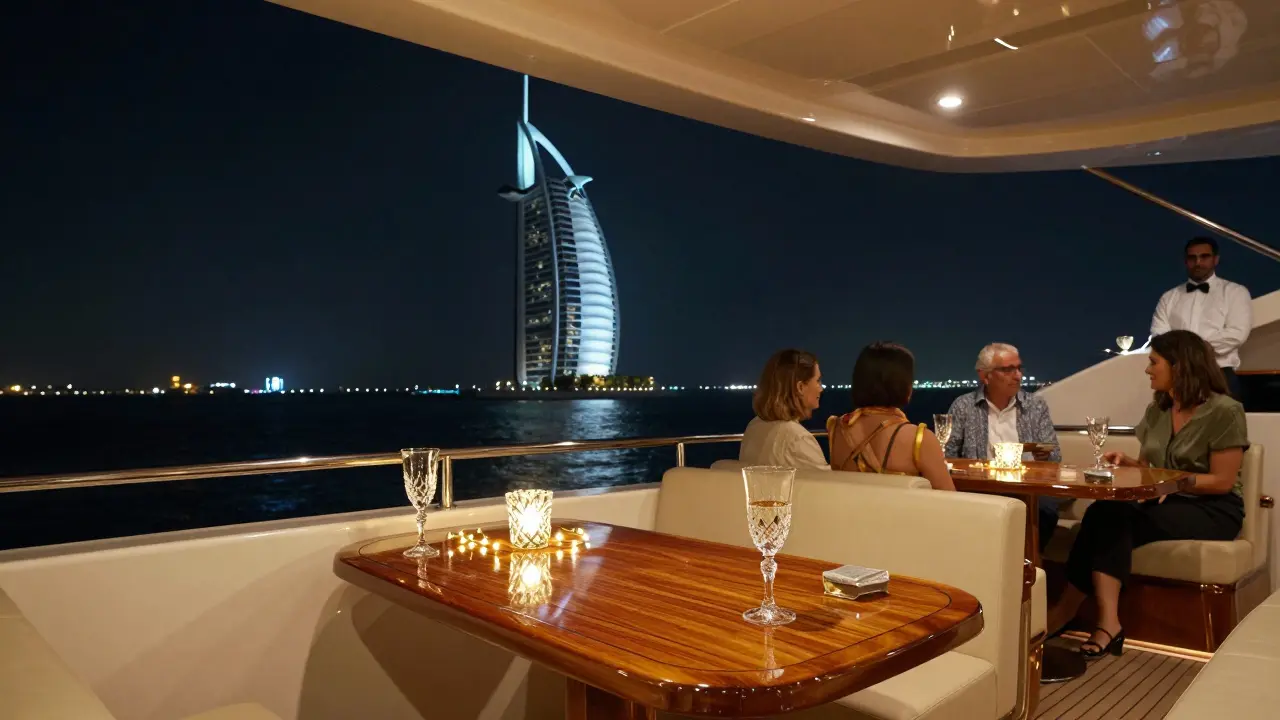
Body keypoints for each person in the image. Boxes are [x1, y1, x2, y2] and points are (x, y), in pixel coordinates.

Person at [1047, 330, 1247, 660]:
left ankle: (1066, 612)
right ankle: (1105, 621)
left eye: (1154, 362)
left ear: (1180, 366)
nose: (1147, 369)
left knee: (1111, 518)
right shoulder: (1157, 411)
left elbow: (1223, 481)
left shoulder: (1225, 411)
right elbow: (1151, 466)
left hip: (1213, 507)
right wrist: (1131, 464)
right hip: (1165, 500)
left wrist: (1172, 483)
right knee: (1103, 513)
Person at [944, 343, 1063, 550]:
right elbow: (948, 454)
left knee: (1044, 510)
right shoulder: (963, 406)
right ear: (985, 376)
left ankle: (1025, 569)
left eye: (1019, 368)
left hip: (1029, 489)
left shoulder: (1035, 406)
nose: (1017, 376)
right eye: (1008, 370)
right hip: (981, 488)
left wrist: (1043, 455)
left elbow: (1055, 457)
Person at [827, 342, 954, 490]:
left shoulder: (836, 429)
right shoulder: (919, 440)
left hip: (845, 513)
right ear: (902, 384)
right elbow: (950, 502)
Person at [1150, 236, 1252, 398]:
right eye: (1192, 258)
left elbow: (1236, 333)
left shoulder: (1236, 292)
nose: (1198, 262)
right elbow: (1160, 337)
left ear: (1216, 259)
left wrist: (1190, 352)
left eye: (1204, 257)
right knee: (1175, 423)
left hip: (1219, 376)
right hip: (1178, 377)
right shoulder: (1168, 297)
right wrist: (1189, 354)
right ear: (1185, 261)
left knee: (1223, 423)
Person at [739, 349, 829, 471]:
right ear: (800, 387)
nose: (821, 388)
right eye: (817, 381)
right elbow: (827, 486)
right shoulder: (797, 439)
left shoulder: (754, 426)